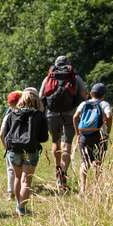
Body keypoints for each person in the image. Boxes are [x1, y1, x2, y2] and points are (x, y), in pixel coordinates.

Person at [39, 55, 89, 192]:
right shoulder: (75, 77)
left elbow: (41, 96)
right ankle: (63, 173)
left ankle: (58, 171)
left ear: (56, 64)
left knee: (55, 142)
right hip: (70, 114)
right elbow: (84, 95)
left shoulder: (49, 78)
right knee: (67, 144)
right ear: (68, 64)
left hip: (52, 114)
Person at [0, 88, 48, 216]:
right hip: (31, 150)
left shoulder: (12, 114)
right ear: (36, 100)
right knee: (26, 180)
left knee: (17, 177)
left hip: (14, 149)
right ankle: (21, 208)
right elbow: (44, 138)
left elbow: (6, 134)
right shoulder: (39, 115)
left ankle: (18, 204)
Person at [74, 82, 113, 194]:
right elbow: (109, 116)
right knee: (98, 162)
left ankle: (82, 189)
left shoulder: (84, 104)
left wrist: (78, 133)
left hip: (84, 136)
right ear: (103, 95)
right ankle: (97, 188)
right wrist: (107, 130)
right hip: (99, 136)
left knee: (85, 162)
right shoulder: (104, 104)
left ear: (91, 93)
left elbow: (75, 117)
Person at [2, 91, 22, 201]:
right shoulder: (27, 114)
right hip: (25, 146)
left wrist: (6, 147)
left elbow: (1, 134)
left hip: (11, 147)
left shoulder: (8, 115)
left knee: (11, 169)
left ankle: (11, 193)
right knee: (23, 169)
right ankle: (22, 190)